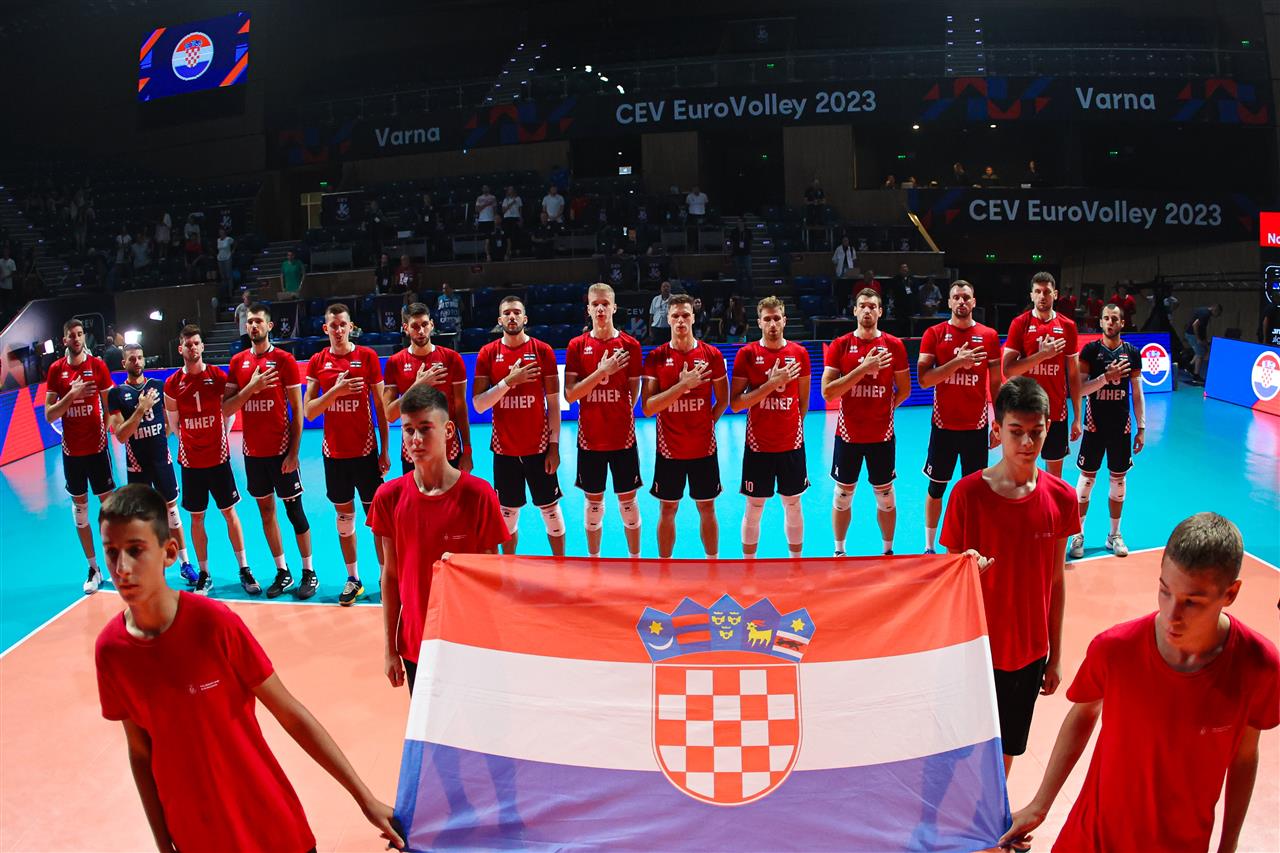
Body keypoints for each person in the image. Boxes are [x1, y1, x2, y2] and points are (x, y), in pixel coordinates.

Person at [93, 485, 404, 853]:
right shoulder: (111, 651)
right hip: (196, 837)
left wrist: (363, 798)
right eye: (111, 552)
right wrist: (164, 845)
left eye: (135, 550)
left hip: (271, 826)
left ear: (170, 552)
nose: (122, 568)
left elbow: (290, 714)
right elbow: (140, 752)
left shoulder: (213, 624)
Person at [999, 512, 1278, 853]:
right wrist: (1040, 804)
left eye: (1192, 602)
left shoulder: (1259, 666)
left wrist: (1228, 845)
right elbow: (1082, 714)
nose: (1172, 615)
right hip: (1092, 839)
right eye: (1165, 591)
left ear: (1230, 593)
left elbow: (1245, 757)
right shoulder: (1115, 648)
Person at [940, 376, 1078, 778]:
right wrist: (965, 569)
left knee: (1006, 750)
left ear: (1048, 429)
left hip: (1029, 654)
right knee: (961, 749)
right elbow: (948, 581)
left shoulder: (1062, 498)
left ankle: (992, 810)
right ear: (997, 430)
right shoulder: (967, 495)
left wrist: (1055, 656)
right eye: (1016, 431)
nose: (1027, 443)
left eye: (1036, 432)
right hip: (976, 649)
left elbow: (1056, 582)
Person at [369, 386, 508, 693]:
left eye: (425, 428)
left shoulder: (479, 496)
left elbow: (492, 579)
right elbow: (390, 576)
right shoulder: (388, 497)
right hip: (416, 646)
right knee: (426, 724)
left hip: (468, 645)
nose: (415, 439)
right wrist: (390, 649)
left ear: (447, 431)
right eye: (408, 430)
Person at [223, 304, 316, 599]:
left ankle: (309, 571)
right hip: (253, 454)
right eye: (250, 322)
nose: (254, 326)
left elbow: (298, 411)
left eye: (258, 321)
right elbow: (226, 408)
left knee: (295, 512)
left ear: (269, 326)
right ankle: (282, 571)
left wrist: (293, 453)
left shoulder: (284, 360)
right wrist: (251, 388)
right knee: (266, 512)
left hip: (281, 452)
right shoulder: (238, 362)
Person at [303, 303, 391, 605]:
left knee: (377, 521)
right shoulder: (317, 361)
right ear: (325, 328)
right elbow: (309, 411)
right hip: (335, 455)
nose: (339, 330)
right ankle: (353, 579)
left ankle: (385, 576)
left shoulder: (367, 357)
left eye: (343, 325)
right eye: (333, 325)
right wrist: (335, 392)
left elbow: (381, 408)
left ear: (351, 327)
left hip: (366, 453)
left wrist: (385, 451)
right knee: (344, 520)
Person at [163, 325, 256, 596]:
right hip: (191, 462)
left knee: (230, 513)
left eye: (196, 343)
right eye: (188, 344)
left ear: (202, 346)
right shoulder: (172, 384)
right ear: (180, 349)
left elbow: (229, 413)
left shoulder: (217, 376)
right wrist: (192, 441)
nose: (192, 348)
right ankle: (204, 573)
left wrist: (220, 437)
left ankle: (244, 568)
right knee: (197, 518)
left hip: (218, 458)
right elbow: (175, 424)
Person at [472, 296, 565, 556]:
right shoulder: (487, 353)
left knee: (551, 511)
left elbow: (554, 404)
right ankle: (509, 566)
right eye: (507, 313)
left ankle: (561, 565)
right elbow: (479, 405)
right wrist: (508, 382)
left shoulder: (543, 351)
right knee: (508, 514)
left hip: (539, 449)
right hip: (505, 451)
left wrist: (554, 446)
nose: (512, 317)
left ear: (525, 318)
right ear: (499, 320)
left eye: (516, 312)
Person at [821, 288, 911, 556]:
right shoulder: (840, 345)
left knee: (886, 498)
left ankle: (887, 551)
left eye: (873, 306)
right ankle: (839, 551)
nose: (868, 310)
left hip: (882, 436)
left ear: (880, 311)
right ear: (855, 310)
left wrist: (884, 411)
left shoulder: (894, 345)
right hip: (848, 435)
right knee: (842, 496)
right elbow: (828, 392)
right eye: (863, 305)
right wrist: (862, 369)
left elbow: (905, 389)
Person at [916, 281, 1002, 554]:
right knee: (936, 488)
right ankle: (929, 546)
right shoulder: (934, 334)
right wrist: (957, 362)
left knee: (975, 492)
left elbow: (996, 384)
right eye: (956, 297)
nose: (962, 301)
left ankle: (971, 545)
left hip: (976, 427)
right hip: (943, 427)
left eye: (966, 297)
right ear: (949, 302)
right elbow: (924, 380)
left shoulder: (988, 336)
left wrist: (998, 421)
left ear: (974, 302)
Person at [642, 294, 729, 559]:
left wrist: (707, 423)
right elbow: (648, 408)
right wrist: (682, 386)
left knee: (707, 508)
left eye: (685, 315)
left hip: (703, 448)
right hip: (669, 450)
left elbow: (723, 400)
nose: (681, 320)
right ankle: (665, 565)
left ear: (693, 317)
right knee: (668, 509)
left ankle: (713, 564)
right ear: (668, 319)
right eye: (675, 316)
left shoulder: (712, 355)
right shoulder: (656, 357)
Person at [563, 284, 645, 559]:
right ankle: (594, 560)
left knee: (628, 504)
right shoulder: (577, 345)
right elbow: (571, 395)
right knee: (594, 505)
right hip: (590, 440)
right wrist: (601, 372)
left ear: (614, 307)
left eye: (605, 304)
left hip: (623, 439)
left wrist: (617, 411)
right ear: (588, 309)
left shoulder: (630, 346)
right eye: (595, 304)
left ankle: (635, 560)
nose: (600, 308)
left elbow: (633, 394)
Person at [107, 343, 195, 585]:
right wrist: (140, 410)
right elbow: (121, 435)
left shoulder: (158, 385)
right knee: (142, 519)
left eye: (140, 357)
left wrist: (158, 439)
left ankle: (185, 563)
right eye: (131, 359)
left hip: (161, 460)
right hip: (137, 465)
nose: (137, 361)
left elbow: (169, 422)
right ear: (124, 363)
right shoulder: (117, 394)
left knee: (172, 512)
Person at [729, 297, 809, 558]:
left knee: (793, 505)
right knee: (754, 507)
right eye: (767, 319)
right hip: (759, 447)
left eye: (776, 318)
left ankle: (796, 563)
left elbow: (803, 404)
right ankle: (749, 565)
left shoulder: (799, 353)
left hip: (791, 445)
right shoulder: (747, 354)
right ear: (759, 322)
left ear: (784, 320)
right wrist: (771, 384)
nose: (772, 324)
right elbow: (736, 404)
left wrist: (790, 428)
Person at [45, 318, 116, 593]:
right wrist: (71, 395)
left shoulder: (97, 366)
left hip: (97, 450)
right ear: (64, 340)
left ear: (84, 336)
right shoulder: (56, 370)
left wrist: (104, 433)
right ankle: (93, 568)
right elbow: (49, 414)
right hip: (72, 453)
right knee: (80, 512)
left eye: (79, 334)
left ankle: (114, 562)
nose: (76, 338)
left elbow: (110, 407)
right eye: (71, 335)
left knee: (109, 510)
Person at [1070, 304, 1145, 561]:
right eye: (1106, 318)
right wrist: (1105, 376)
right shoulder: (1090, 351)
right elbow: (1079, 390)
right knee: (1086, 483)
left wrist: (1141, 427)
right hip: (1094, 427)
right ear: (1100, 322)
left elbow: (1137, 394)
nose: (1110, 322)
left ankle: (1114, 535)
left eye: (1114, 319)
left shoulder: (1132, 353)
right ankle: (1078, 534)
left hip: (1121, 428)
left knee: (1118, 483)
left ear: (1122, 323)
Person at [1002, 271, 1083, 478]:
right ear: (1031, 295)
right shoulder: (1020, 323)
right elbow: (1008, 369)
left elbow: (1074, 376)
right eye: (1037, 291)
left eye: (1046, 292)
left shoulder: (1067, 326)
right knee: (1021, 472)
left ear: (1055, 294)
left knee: (1054, 476)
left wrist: (1077, 417)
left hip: (1056, 412)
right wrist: (1042, 355)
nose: (1042, 296)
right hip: (1025, 410)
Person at [383, 302, 471, 476]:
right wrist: (418, 385)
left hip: (448, 447)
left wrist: (467, 450)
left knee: (452, 494)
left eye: (424, 324)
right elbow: (390, 415)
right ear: (406, 328)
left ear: (431, 324)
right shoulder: (395, 363)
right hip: (413, 449)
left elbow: (461, 407)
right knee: (416, 494)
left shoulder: (452, 359)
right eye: (415, 326)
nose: (421, 331)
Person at [1185, 302, 1223, 385]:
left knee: (1203, 350)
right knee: (1200, 353)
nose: (1217, 316)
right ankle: (1196, 375)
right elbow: (1195, 325)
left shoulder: (1204, 310)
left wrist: (1204, 340)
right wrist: (1198, 339)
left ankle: (1190, 365)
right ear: (1215, 310)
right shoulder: (1205, 314)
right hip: (1192, 334)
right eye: (1218, 314)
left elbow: (1202, 328)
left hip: (1193, 334)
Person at [728, 218, 753, 290]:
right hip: (737, 254)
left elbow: (751, 241)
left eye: (740, 222)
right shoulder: (734, 231)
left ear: (744, 223)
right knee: (739, 273)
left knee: (748, 273)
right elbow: (731, 241)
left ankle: (750, 290)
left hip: (746, 253)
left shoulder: (748, 231)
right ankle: (739, 290)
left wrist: (748, 248)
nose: (739, 223)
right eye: (738, 222)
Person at [501, 186, 523, 253]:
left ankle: (517, 249)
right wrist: (511, 203)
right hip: (507, 218)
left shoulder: (518, 198)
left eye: (512, 189)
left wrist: (521, 218)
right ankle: (509, 249)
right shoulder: (505, 200)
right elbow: (503, 211)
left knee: (516, 234)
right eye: (509, 189)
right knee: (508, 235)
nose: (511, 190)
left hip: (516, 217)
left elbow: (520, 209)